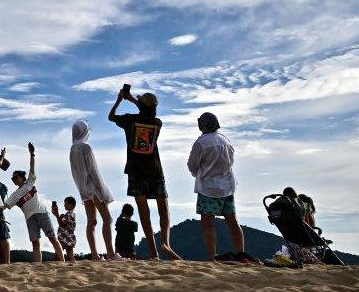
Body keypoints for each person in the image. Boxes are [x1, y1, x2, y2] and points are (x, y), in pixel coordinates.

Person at [108, 87, 181, 260]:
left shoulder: (129, 120)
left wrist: (121, 100)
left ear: (140, 106)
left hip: (136, 172)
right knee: (164, 209)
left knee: (144, 213)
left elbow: (111, 117)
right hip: (155, 171)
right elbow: (146, 111)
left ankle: (153, 252)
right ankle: (166, 243)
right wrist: (133, 99)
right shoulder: (157, 123)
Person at [186, 112, 245, 260]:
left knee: (208, 223)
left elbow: (192, 165)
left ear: (203, 124)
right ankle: (240, 253)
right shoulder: (225, 140)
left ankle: (212, 256)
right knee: (233, 222)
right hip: (227, 185)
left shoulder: (201, 142)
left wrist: (199, 173)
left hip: (208, 188)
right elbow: (231, 161)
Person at [3, 142, 64, 263]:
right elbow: (4, 206)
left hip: (42, 212)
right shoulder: (14, 195)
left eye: (16, 177)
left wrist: (32, 154)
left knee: (52, 238)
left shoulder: (30, 182)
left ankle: (62, 261)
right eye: (12, 179)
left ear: (22, 177)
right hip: (30, 218)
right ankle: (38, 266)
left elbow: (32, 167)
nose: (14, 180)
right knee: (35, 242)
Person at [69, 120, 118, 261]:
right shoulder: (86, 147)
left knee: (92, 221)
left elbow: (75, 173)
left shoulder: (72, 149)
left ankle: (95, 255)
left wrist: (82, 189)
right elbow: (94, 171)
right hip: (93, 188)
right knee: (107, 219)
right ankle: (110, 254)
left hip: (83, 189)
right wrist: (102, 191)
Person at [53, 197, 77, 263]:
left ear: (71, 205)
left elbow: (63, 225)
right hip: (66, 238)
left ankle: (61, 267)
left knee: (58, 254)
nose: (64, 205)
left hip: (66, 238)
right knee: (70, 255)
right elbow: (62, 224)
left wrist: (57, 215)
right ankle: (73, 266)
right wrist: (57, 215)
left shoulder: (70, 215)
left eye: (66, 204)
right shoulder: (68, 215)